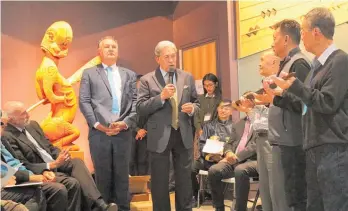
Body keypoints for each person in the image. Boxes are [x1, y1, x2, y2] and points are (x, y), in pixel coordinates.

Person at [271, 7, 348, 211]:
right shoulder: (316, 66)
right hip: (314, 148)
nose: (301, 37)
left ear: (316, 32)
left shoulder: (340, 61)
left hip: (333, 149)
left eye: (303, 31)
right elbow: (307, 103)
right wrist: (283, 93)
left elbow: (327, 102)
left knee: (335, 205)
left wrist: (296, 86)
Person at [2, 101, 117, 211]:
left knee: (76, 162)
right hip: (41, 169)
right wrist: (50, 165)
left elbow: (50, 147)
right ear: (12, 119)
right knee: (72, 183)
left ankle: (99, 203)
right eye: (23, 114)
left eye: (26, 111)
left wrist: (61, 156)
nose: (28, 115)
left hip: (55, 161)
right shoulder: (7, 135)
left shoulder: (33, 125)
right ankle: (96, 207)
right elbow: (23, 163)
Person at [137, 40, 200, 211]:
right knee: (159, 182)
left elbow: (197, 102)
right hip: (159, 136)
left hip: (183, 133)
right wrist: (161, 97)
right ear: (158, 59)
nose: (172, 60)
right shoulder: (146, 80)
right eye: (167, 57)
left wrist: (193, 108)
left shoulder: (187, 76)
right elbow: (140, 108)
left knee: (184, 180)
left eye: (174, 56)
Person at [79, 36, 137, 211]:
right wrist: (97, 125)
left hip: (123, 134)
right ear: (99, 52)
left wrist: (125, 123)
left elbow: (135, 103)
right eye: (107, 47)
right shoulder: (89, 73)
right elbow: (84, 101)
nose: (111, 49)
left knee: (122, 178)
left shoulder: (129, 74)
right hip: (99, 134)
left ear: (118, 51)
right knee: (103, 178)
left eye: (114, 46)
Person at [263, 19, 311, 211]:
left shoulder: (299, 63)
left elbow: (303, 103)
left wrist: (278, 95)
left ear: (285, 39)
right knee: (285, 196)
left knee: (295, 198)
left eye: (274, 38)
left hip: (293, 140)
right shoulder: (287, 64)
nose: (272, 43)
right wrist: (273, 96)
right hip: (285, 139)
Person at [192, 100, 258, 211]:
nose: (223, 110)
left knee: (239, 170)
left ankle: (239, 208)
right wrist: (224, 154)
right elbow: (228, 144)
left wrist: (229, 156)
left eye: (226, 108)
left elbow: (253, 146)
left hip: (242, 160)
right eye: (221, 107)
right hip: (212, 158)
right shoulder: (211, 126)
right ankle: (217, 206)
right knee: (205, 168)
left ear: (231, 111)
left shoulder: (246, 124)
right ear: (217, 109)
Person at [129, 74, 149, 176]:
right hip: (131, 133)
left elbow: (152, 115)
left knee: (143, 161)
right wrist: (137, 130)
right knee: (130, 161)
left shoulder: (149, 98)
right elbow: (127, 116)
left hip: (145, 133)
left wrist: (143, 130)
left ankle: (143, 187)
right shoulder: (128, 100)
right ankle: (132, 188)